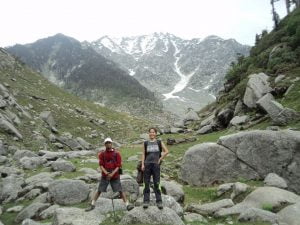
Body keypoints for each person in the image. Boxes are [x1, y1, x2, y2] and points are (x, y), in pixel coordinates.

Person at [85, 137, 133, 211]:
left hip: (115, 175)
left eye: (109, 143)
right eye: (106, 143)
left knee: (120, 190)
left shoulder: (117, 154)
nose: (108, 144)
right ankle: (92, 204)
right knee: (99, 190)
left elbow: (118, 165)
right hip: (105, 175)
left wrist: (112, 174)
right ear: (105, 144)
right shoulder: (102, 154)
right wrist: (106, 173)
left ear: (111, 143)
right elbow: (101, 165)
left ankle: (127, 205)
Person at [141, 128, 169, 209]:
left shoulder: (159, 142)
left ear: (155, 133)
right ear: (148, 134)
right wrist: (142, 164)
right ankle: (146, 201)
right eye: (150, 132)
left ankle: (159, 201)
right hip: (147, 165)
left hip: (156, 165)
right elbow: (143, 154)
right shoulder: (145, 143)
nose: (151, 134)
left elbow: (166, 151)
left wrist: (160, 159)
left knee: (157, 183)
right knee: (146, 183)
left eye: (153, 132)